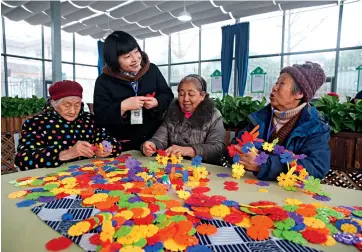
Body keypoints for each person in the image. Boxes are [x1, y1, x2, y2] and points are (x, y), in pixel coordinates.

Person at [231, 61, 331, 180]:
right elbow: (235, 144)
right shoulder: (259, 117)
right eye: (276, 83)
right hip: (252, 184)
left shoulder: (315, 126)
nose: (274, 88)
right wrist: (239, 152)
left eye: (281, 84)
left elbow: (316, 167)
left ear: (299, 93)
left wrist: (263, 165)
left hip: (289, 192)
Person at [15, 80, 122, 171]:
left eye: (77, 105)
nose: (72, 111)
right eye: (67, 105)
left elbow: (114, 143)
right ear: (54, 104)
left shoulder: (89, 120)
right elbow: (22, 159)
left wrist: (107, 147)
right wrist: (66, 154)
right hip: (52, 181)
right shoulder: (36, 123)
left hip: (90, 176)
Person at [94, 31, 174, 151]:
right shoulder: (103, 81)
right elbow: (101, 117)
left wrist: (156, 102)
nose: (135, 59)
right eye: (127, 56)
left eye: (136, 51)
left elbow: (168, 95)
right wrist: (122, 107)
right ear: (114, 60)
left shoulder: (152, 70)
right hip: (121, 144)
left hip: (152, 141)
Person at [142, 74, 226, 165]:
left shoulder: (213, 115)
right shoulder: (171, 113)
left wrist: (190, 151)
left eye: (191, 94)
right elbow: (160, 138)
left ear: (202, 95)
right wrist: (152, 144)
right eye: (181, 94)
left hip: (204, 169)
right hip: (175, 167)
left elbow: (217, 148)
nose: (185, 99)